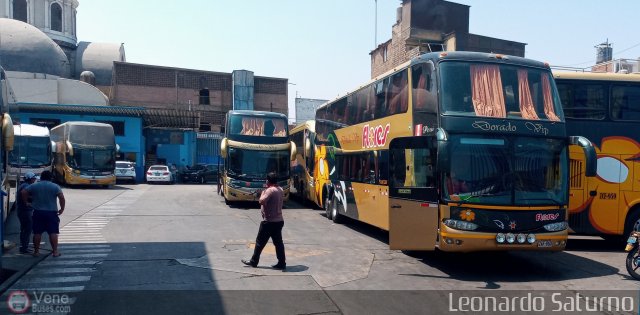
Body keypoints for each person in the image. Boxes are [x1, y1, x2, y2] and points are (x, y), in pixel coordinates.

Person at [242, 172, 286, 270]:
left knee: (259, 242)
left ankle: (254, 261)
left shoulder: (269, 190)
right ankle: (282, 263)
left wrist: (262, 193)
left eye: (266, 180)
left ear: (268, 181)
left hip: (269, 222)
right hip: (279, 221)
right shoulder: (280, 189)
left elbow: (261, 201)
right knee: (278, 243)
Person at [22, 170, 65, 257]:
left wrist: (26, 202)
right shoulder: (55, 186)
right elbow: (62, 198)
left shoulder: (35, 185)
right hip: (51, 213)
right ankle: (55, 252)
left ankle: (36, 252)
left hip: (38, 212)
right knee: (53, 232)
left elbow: (23, 192)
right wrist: (61, 209)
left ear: (41, 177)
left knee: (37, 233)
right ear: (51, 178)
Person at [16, 172, 37, 254]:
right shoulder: (26, 186)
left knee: (24, 229)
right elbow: (24, 194)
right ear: (30, 178)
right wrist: (27, 202)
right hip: (25, 211)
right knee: (27, 229)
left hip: (23, 210)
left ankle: (23, 247)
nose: (35, 180)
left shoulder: (24, 185)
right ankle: (24, 248)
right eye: (34, 178)